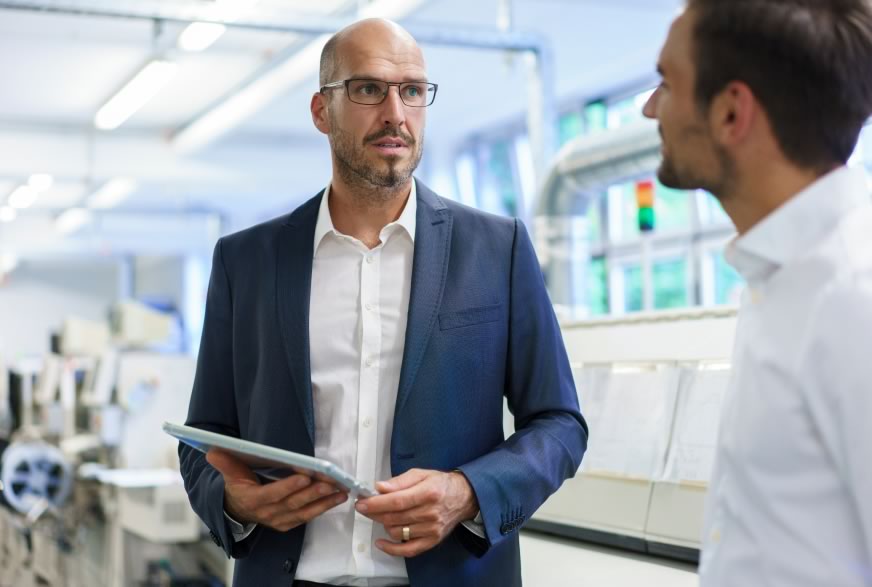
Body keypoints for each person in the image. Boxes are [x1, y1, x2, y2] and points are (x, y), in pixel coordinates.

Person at [179, 18, 588, 587]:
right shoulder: (245, 262)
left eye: (412, 91)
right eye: (369, 89)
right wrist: (236, 502)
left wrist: (467, 493)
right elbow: (204, 437)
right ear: (322, 111)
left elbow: (560, 424)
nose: (395, 112)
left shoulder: (498, 250)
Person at [643, 1, 872, 585]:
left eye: (666, 83)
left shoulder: (854, 294)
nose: (650, 109)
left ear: (730, 112)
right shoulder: (781, 275)